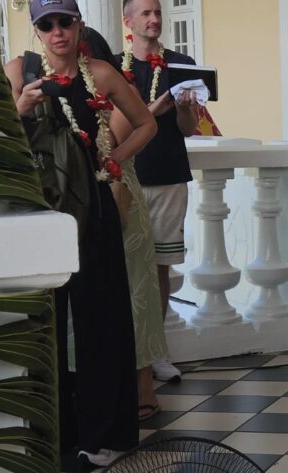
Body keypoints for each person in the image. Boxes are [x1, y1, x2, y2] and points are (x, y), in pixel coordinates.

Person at [6, 0, 157, 466]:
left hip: (92, 208)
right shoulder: (19, 71)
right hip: (39, 213)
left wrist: (113, 161)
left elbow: (146, 123)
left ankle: (103, 433)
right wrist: (20, 107)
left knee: (101, 320)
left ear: (79, 25)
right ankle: (50, 434)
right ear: (36, 30)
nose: (57, 32)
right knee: (44, 324)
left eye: (65, 22)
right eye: (47, 24)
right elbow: (2, 141)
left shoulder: (101, 74)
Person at [81, 26, 170, 423]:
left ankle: (143, 389)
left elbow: (108, 146)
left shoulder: (114, 91)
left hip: (119, 197)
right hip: (93, 199)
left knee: (135, 291)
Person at [120, 0, 201, 385]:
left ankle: (156, 352)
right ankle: (125, 352)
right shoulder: (113, 68)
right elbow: (116, 127)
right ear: (128, 21)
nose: (154, 19)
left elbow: (187, 128)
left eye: (157, 13)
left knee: (160, 267)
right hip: (124, 178)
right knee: (123, 267)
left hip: (168, 175)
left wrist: (183, 108)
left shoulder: (181, 64)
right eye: (145, 14)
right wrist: (153, 108)